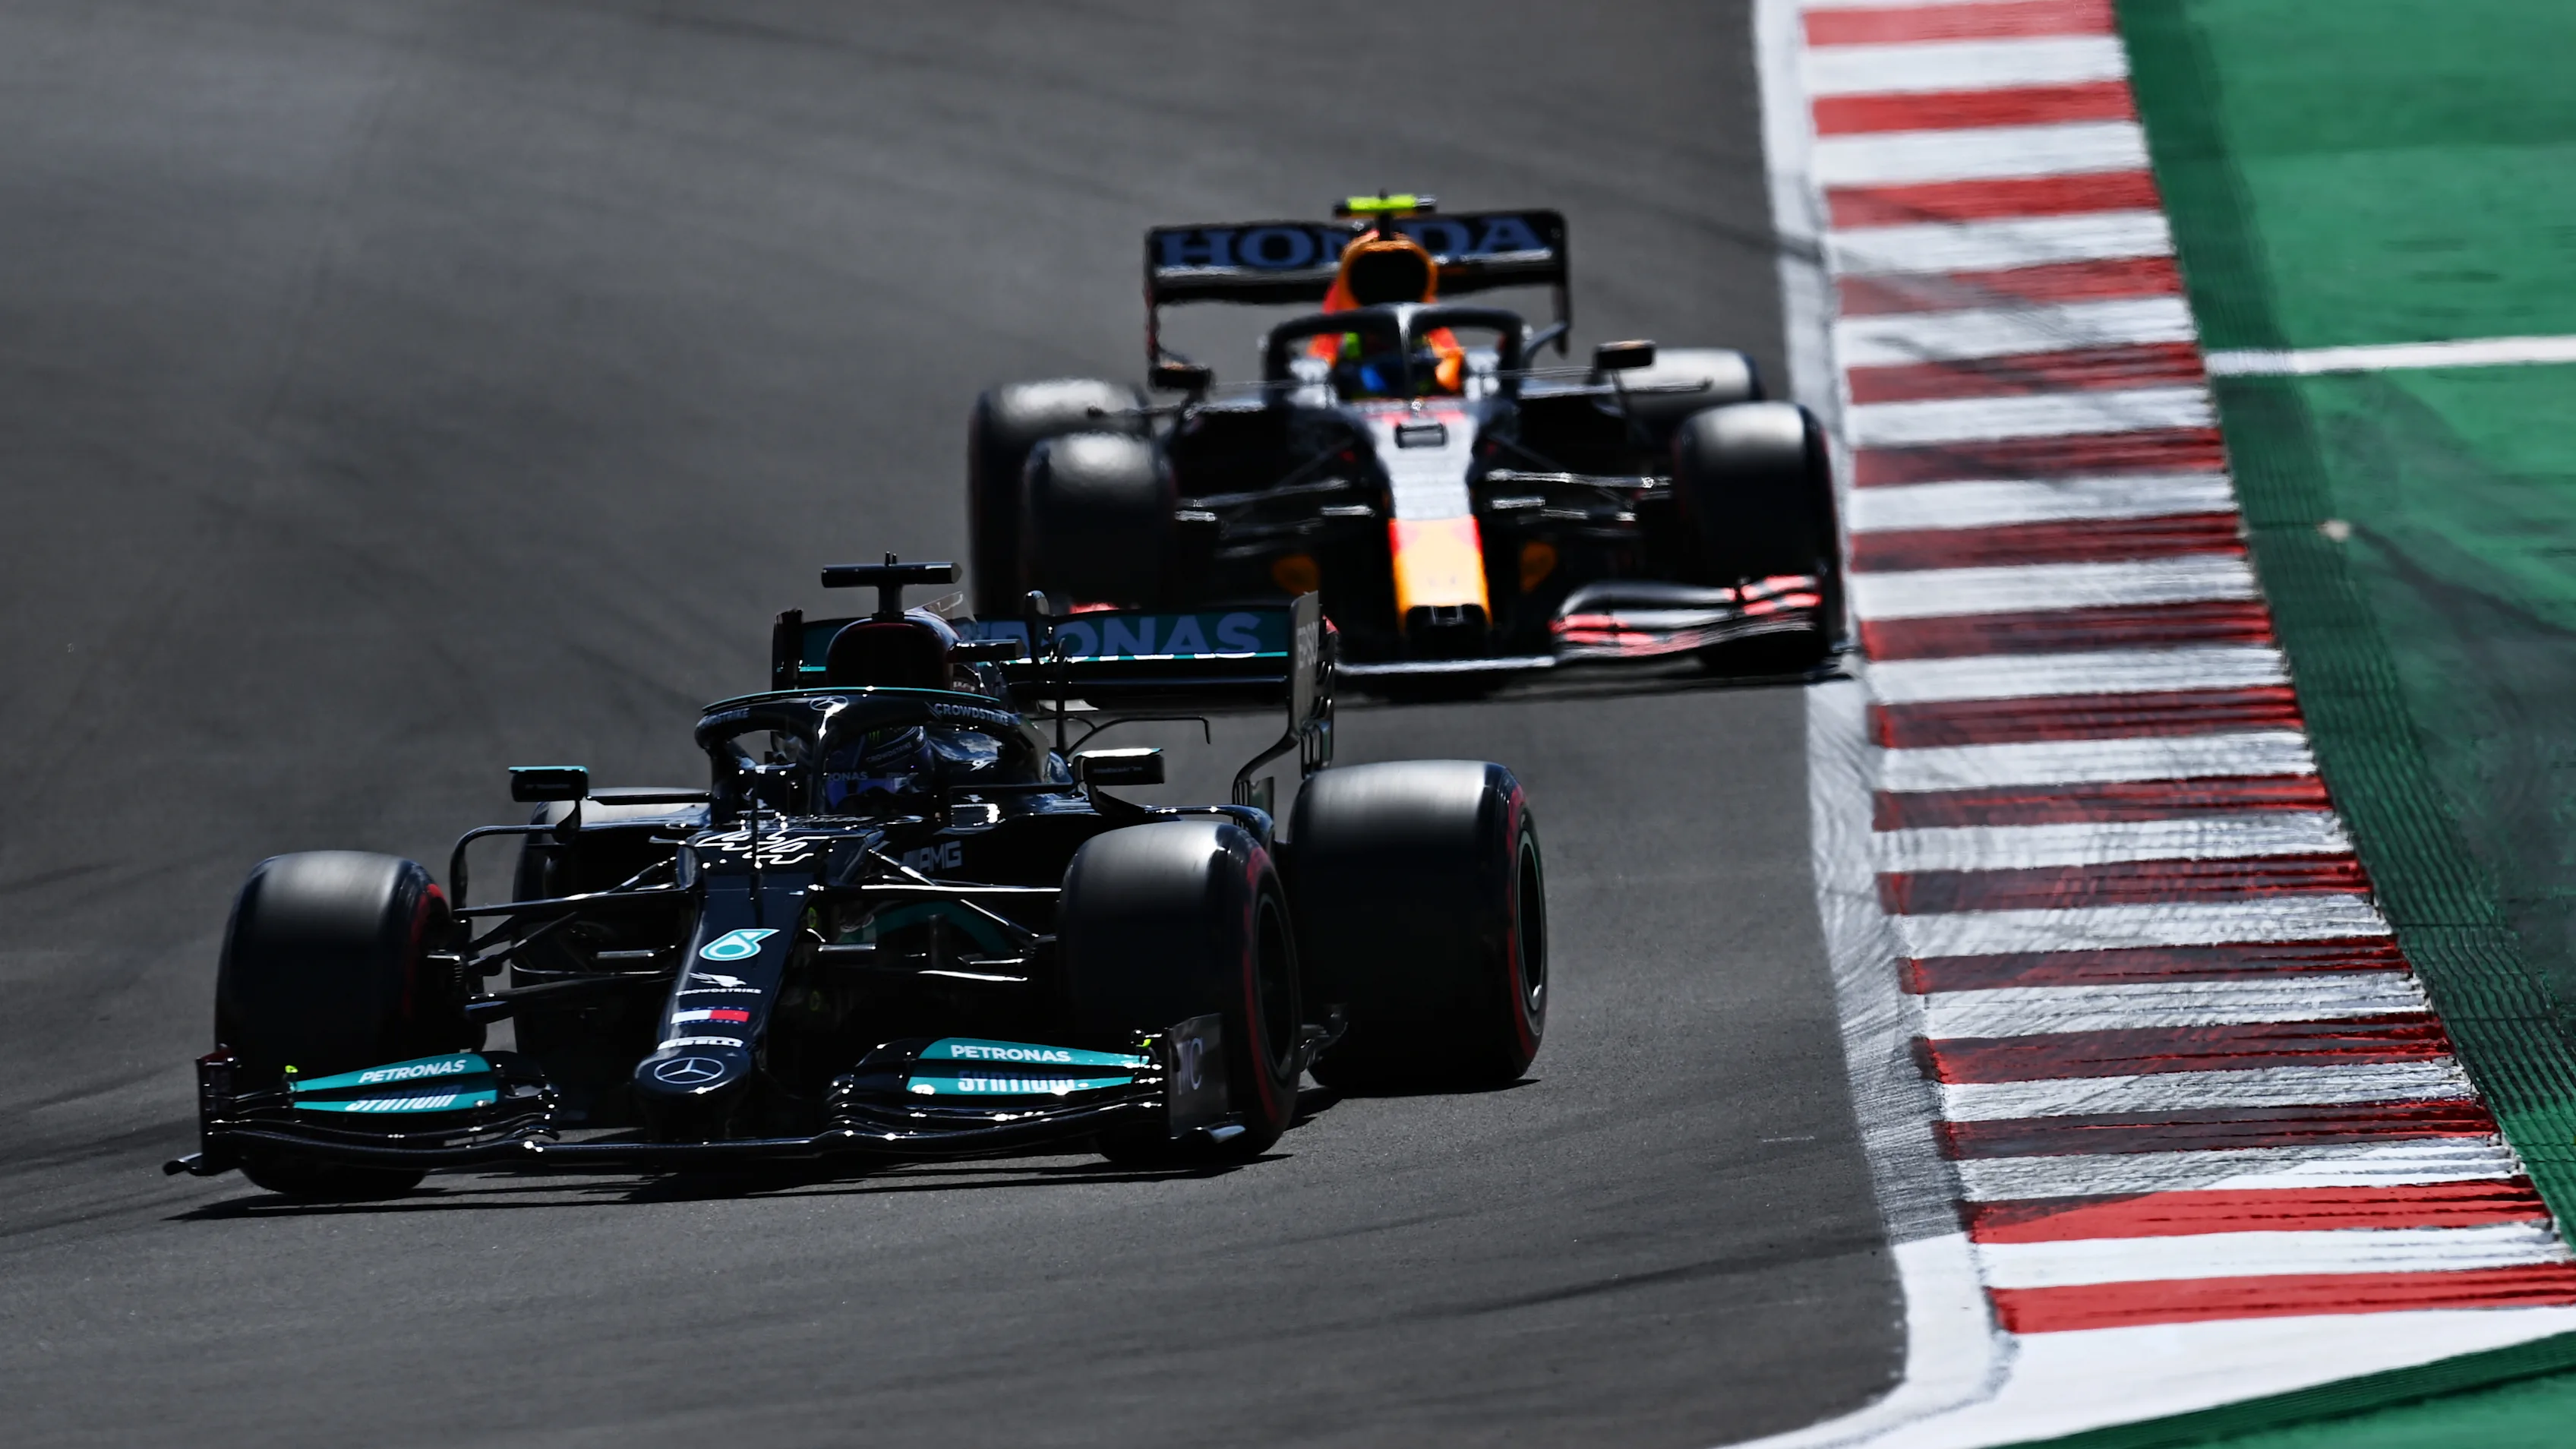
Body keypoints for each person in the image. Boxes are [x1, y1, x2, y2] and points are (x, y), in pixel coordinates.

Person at [1309, 231, 1466, 396]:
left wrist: (1449, 376)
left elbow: (1452, 359)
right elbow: (1316, 370)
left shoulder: (1441, 355)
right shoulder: (1336, 357)